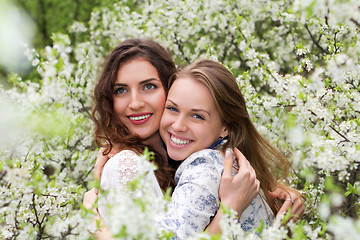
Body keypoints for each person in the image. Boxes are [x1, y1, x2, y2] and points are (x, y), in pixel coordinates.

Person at [84, 39, 304, 238]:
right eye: (120, 90)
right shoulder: (126, 164)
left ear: (169, 89)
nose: (135, 103)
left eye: (149, 86)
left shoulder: (199, 162)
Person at [157, 59, 303, 236]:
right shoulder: (231, 164)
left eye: (197, 116)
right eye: (172, 108)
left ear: (226, 127)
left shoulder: (203, 167)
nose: (179, 125)